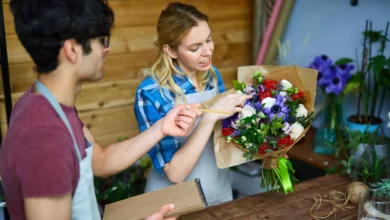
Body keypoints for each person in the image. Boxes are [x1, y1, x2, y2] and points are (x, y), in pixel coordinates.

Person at [0, 0, 201, 219]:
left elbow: (101, 160)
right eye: (102, 40)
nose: (107, 49)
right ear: (72, 49)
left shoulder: (47, 106)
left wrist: (162, 127)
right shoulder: (45, 137)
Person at [134, 2, 251, 206]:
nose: (207, 52)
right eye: (195, 48)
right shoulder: (151, 93)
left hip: (219, 191)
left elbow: (223, 136)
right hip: (172, 203)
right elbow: (175, 173)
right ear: (171, 51)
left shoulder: (212, 75)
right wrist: (208, 119)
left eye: (209, 40)